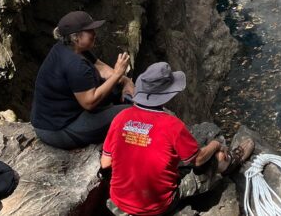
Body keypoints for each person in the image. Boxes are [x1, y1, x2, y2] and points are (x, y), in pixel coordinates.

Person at [100, 62, 255, 216]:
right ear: (167, 95)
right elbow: (199, 160)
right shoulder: (172, 125)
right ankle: (230, 163)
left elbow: (105, 162)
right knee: (216, 158)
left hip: (119, 202)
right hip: (157, 206)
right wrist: (215, 144)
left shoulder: (120, 118)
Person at [31, 11, 135, 149]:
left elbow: (101, 68)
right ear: (75, 37)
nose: (94, 33)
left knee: (116, 88)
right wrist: (117, 74)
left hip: (53, 119)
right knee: (133, 113)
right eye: (90, 31)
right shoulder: (74, 64)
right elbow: (89, 103)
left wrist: (125, 80)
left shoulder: (71, 48)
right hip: (60, 130)